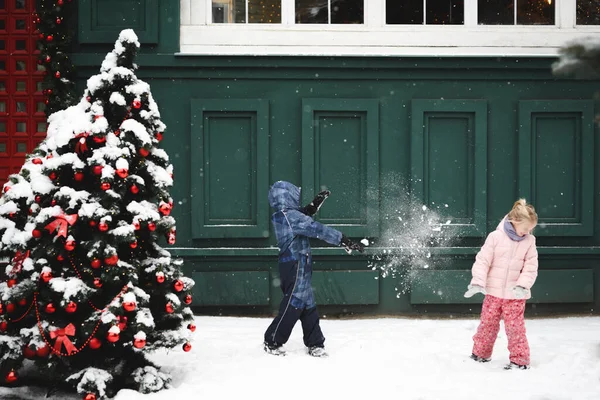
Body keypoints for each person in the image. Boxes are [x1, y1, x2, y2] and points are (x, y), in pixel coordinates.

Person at [263, 181, 365, 357]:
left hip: (299, 264)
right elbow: (314, 228)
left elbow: (303, 217)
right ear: (287, 197)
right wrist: (343, 239)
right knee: (294, 303)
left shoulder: (286, 215)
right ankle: (272, 340)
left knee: (307, 304)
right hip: (295, 264)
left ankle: (315, 342)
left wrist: (312, 207)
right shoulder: (290, 217)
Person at [464, 199, 538, 370]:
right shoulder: (495, 237)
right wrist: (478, 281)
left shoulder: (529, 241)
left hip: (515, 295)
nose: (528, 232)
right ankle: (480, 353)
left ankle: (519, 360)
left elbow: (530, 267)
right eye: (526, 228)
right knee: (487, 324)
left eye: (531, 229)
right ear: (515, 222)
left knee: (515, 328)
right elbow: (483, 261)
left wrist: (523, 286)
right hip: (493, 293)